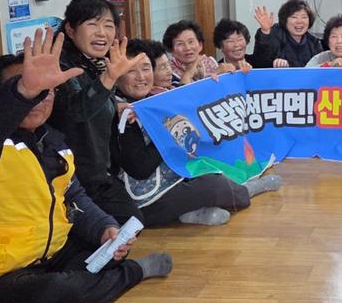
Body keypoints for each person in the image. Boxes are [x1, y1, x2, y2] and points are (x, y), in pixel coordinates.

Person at [0, 28, 172, 303]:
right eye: (28, 89)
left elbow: (74, 196)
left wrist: (105, 229)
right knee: (57, 288)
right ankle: (132, 274)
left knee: (107, 250)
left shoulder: (51, 141)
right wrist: (21, 93)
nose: (38, 99)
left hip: (42, 260)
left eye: (47, 91)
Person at [111, 40, 282, 227]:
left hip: (174, 181)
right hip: (147, 203)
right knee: (214, 185)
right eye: (131, 71)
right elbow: (140, 169)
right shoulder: (122, 113)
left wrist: (215, 82)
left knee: (211, 168)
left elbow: (192, 105)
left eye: (146, 69)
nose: (141, 77)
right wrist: (167, 132)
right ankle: (246, 191)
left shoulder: (151, 102)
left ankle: (191, 212)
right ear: (117, 75)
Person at [49, 0, 145, 223]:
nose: (102, 33)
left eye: (109, 25)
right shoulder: (60, 66)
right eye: (92, 24)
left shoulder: (96, 62)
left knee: (130, 221)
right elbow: (76, 111)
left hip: (98, 174)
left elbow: (94, 97)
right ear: (70, 30)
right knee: (122, 222)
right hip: (67, 178)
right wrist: (110, 77)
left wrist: (116, 104)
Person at [252, 0, 324, 68]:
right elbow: (260, 62)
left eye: (304, 17)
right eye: (294, 17)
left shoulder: (314, 43)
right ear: (285, 19)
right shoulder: (274, 34)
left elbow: (321, 69)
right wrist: (265, 31)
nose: (299, 21)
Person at [163, 20, 231, 85]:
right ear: (171, 50)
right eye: (180, 44)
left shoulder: (209, 62)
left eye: (191, 42)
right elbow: (184, 92)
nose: (187, 48)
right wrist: (189, 72)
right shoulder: (168, 73)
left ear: (200, 45)